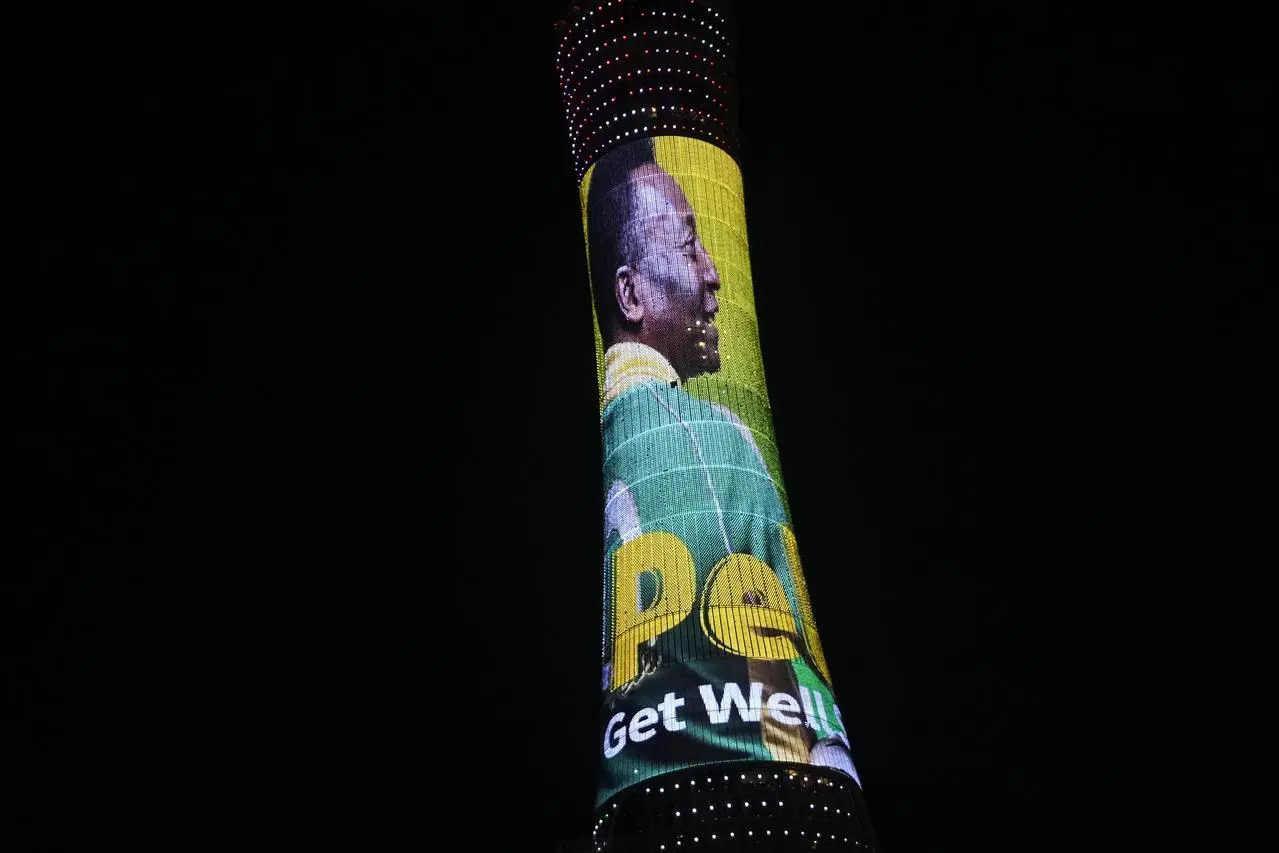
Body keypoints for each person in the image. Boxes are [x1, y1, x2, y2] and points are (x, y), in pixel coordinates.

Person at [586, 138, 859, 802]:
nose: (713, 274)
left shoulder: (630, 431)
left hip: (635, 789)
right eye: (687, 247)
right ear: (630, 295)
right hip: (758, 787)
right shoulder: (714, 437)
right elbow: (771, 654)